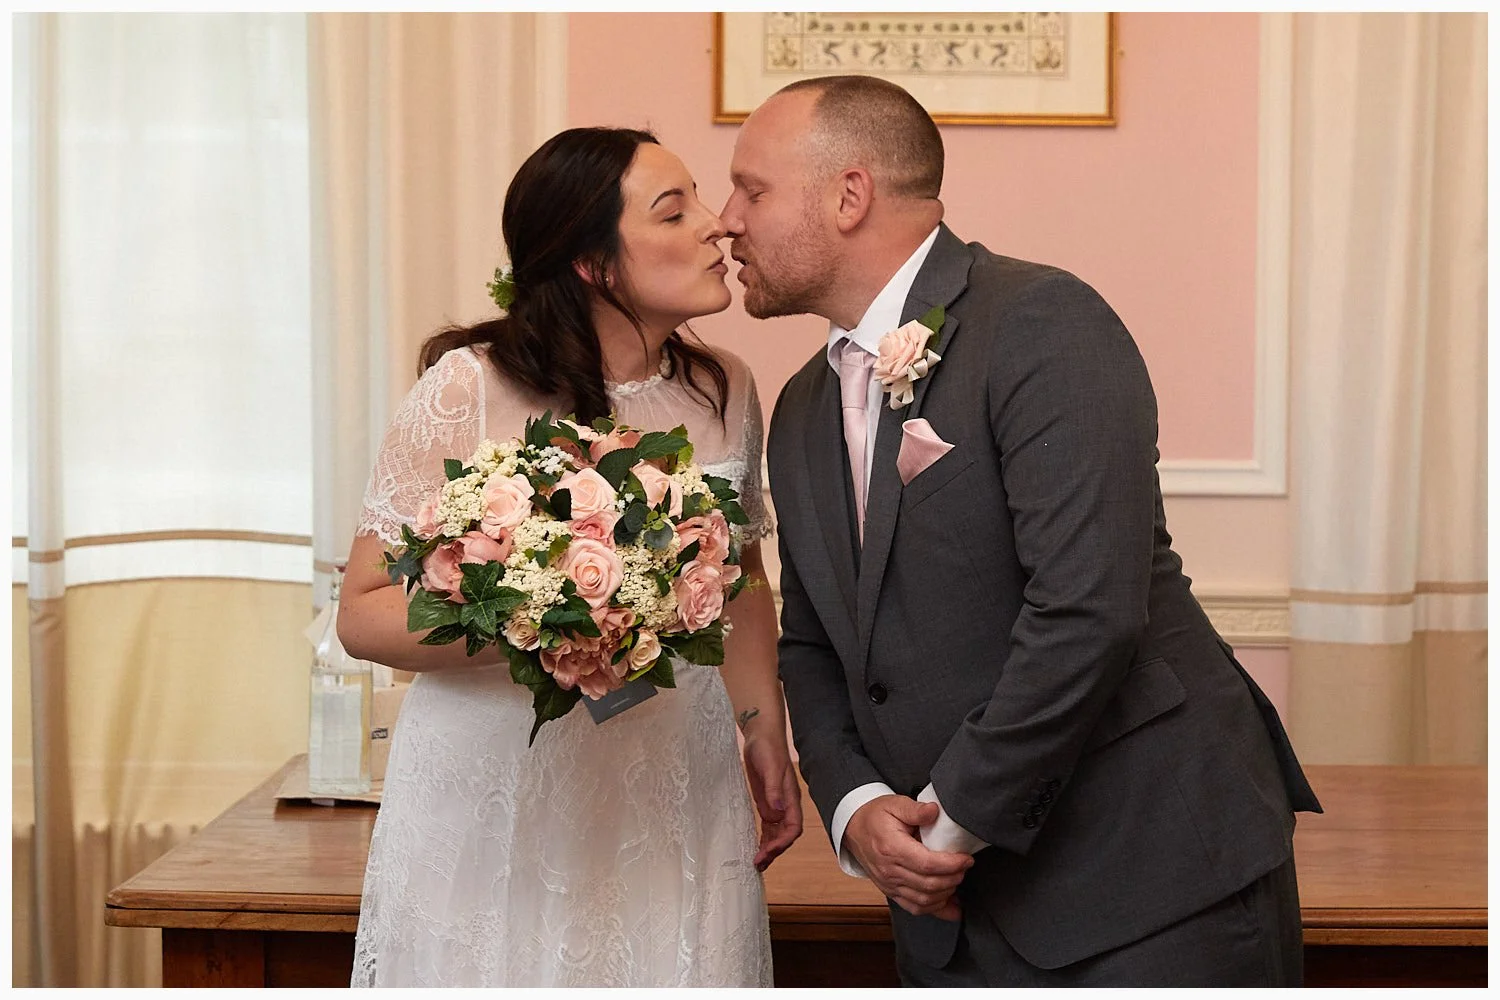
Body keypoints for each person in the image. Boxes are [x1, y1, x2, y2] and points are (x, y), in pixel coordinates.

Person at [725, 75, 1323, 987]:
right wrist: (856, 809)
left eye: (753, 190)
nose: (728, 220)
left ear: (849, 195)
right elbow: (811, 643)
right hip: (948, 914)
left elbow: (1087, 611)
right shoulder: (804, 405)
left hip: (1146, 883)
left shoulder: (1041, 322)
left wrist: (948, 821)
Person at [339, 127, 802, 988]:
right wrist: (542, 616)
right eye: (677, 210)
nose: (717, 226)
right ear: (594, 263)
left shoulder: (727, 389)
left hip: (671, 777)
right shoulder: (468, 387)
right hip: (494, 778)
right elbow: (362, 610)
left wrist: (763, 733)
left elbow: (742, 591)